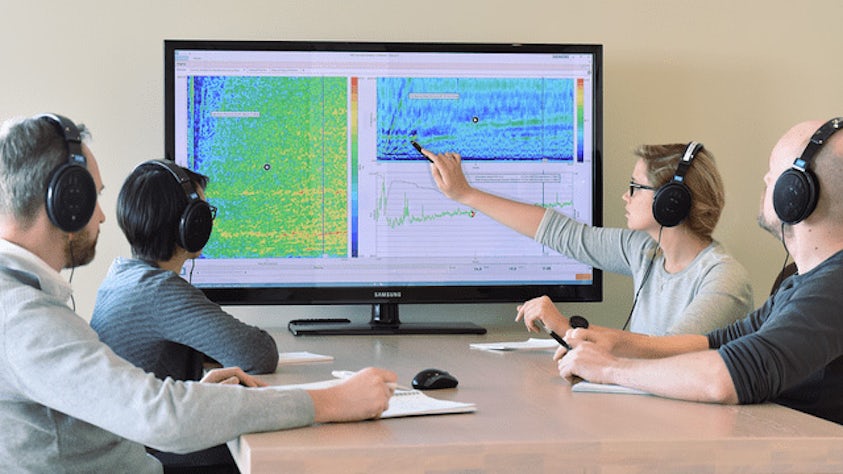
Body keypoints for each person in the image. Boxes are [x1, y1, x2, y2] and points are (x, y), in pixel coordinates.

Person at [0, 113, 396, 472]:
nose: (102, 215)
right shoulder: (23, 318)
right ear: (67, 201)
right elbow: (163, 417)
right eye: (94, 197)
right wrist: (331, 401)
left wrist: (195, 398)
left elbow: (110, 412)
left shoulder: (30, 297)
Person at [548, 118, 843, 425]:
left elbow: (731, 375)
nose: (765, 179)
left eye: (774, 174)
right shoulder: (800, 281)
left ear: (794, 192)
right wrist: (610, 342)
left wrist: (610, 369)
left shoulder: (835, 287)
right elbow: (725, 340)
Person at [421, 142, 753, 336]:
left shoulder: (724, 278)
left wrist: (568, 329)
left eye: (636, 187)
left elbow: (669, 353)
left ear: (672, 201)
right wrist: (465, 195)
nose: (625, 196)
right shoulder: (644, 251)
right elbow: (561, 233)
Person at [90, 161, 281, 471]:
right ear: (189, 226)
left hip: (131, 444)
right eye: (205, 215)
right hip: (153, 456)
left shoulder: (121, 276)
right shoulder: (158, 290)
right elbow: (258, 353)